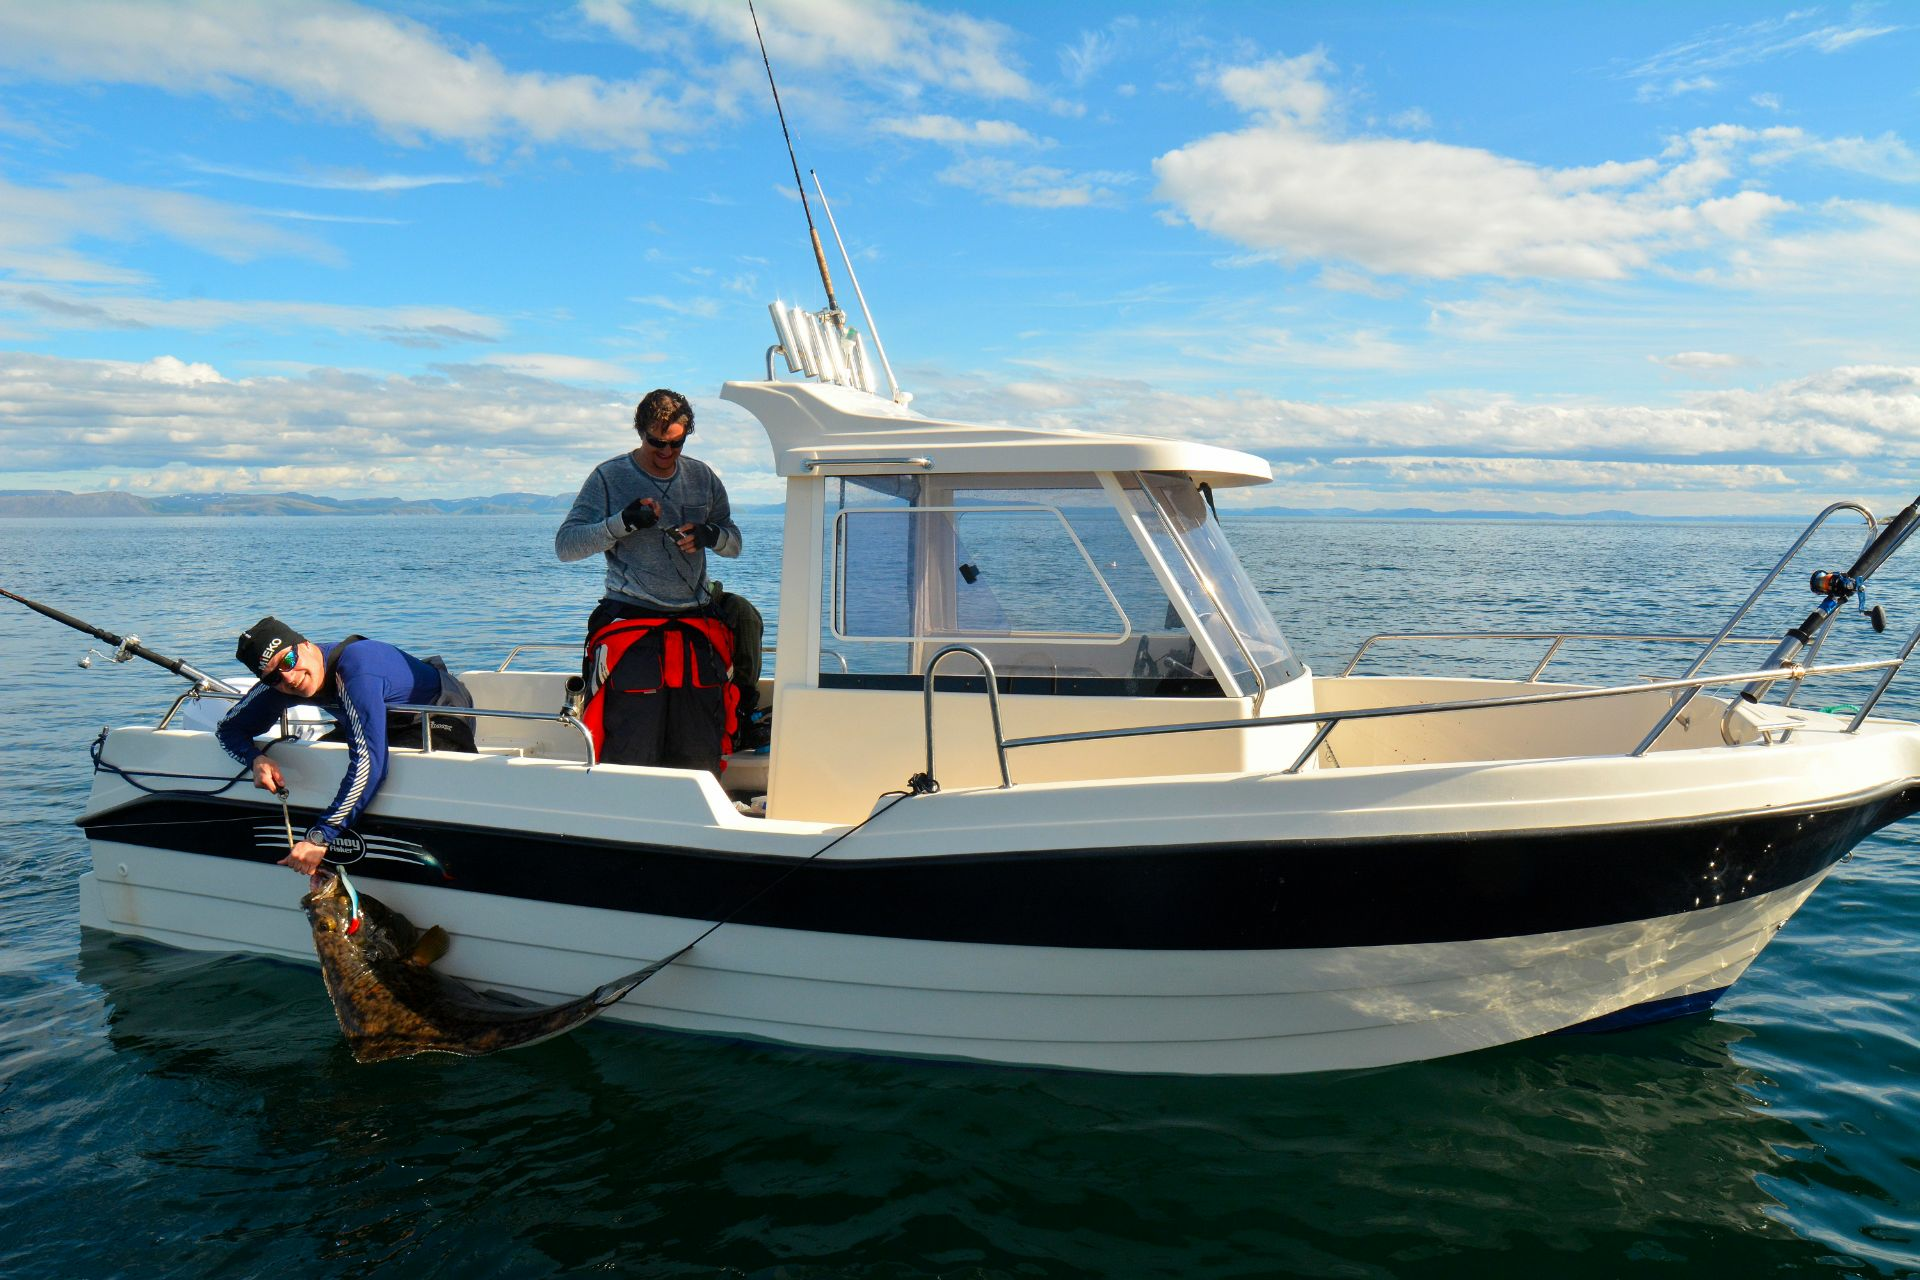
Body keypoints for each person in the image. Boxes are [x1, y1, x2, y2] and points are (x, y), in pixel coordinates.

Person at [554, 389, 763, 771]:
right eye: (657, 443)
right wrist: (623, 522)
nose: (666, 452)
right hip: (632, 631)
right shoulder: (609, 476)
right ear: (640, 432)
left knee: (700, 753)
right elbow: (566, 546)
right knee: (631, 753)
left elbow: (734, 544)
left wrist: (709, 535)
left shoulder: (703, 478)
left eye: (676, 443)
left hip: (696, 630)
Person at [217, 616, 477, 874]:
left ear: (306, 645)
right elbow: (227, 730)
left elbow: (371, 765)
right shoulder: (280, 685)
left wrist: (320, 837)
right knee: (322, 765)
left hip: (436, 711)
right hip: (373, 716)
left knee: (401, 770)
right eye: (272, 677)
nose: (289, 678)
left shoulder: (356, 668)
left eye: (289, 660)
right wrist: (254, 758)